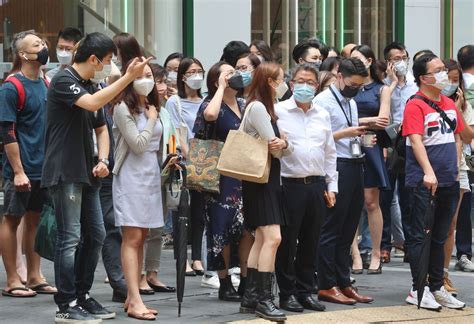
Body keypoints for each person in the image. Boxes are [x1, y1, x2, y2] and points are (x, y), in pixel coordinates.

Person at [42, 32, 151, 322]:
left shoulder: (90, 84)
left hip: (89, 170)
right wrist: (127, 77)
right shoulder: (64, 80)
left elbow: (101, 127)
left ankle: (82, 295)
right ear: (93, 59)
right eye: (105, 61)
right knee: (69, 238)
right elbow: (92, 104)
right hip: (65, 170)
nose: (107, 66)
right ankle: (65, 304)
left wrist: (103, 159)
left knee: (97, 235)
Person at [403, 53, 465, 310]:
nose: (444, 75)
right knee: (421, 237)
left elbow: (461, 136)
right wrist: (429, 172)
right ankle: (418, 289)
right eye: (438, 70)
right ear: (423, 78)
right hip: (424, 182)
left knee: (440, 236)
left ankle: (437, 286)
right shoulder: (415, 105)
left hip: (449, 179)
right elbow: (416, 140)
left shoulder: (449, 104)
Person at [112, 61, 172, 320]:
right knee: (132, 238)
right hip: (130, 177)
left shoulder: (152, 106)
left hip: (150, 177)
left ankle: (131, 297)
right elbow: (137, 144)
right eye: (141, 75)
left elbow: (159, 142)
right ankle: (134, 298)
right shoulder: (121, 107)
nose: (147, 80)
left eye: (150, 76)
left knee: (143, 237)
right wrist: (150, 122)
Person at [274, 63, 336, 313]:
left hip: (317, 184)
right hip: (289, 184)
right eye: (301, 81)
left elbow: (330, 152)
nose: (305, 86)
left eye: (311, 83)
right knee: (288, 242)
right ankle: (286, 293)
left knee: (312, 241)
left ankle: (306, 291)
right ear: (291, 84)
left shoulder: (322, 114)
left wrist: (332, 185)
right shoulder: (278, 111)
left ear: (317, 86)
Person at [0, 30, 56, 298]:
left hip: (43, 168)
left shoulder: (45, 84)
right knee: (12, 220)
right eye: (36, 45)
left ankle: (34, 276)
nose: (43, 47)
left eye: (43, 43)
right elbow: (7, 132)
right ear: (23, 54)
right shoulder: (12, 87)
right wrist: (19, 171)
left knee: (34, 220)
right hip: (21, 170)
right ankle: (13, 279)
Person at [315, 58, 374, 305]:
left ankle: (343, 281)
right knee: (331, 227)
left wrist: (359, 138)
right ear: (338, 75)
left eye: (360, 85)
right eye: (352, 84)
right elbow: (319, 138)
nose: (356, 88)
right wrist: (348, 133)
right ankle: (326, 284)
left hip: (354, 162)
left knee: (349, 227)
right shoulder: (322, 102)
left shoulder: (350, 101)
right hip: (335, 165)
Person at [239, 62, 292, 322]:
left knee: (262, 238)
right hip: (262, 179)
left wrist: (285, 143)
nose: (285, 83)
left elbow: (282, 145)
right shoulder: (259, 107)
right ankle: (264, 299)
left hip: (262, 179)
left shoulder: (260, 106)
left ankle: (251, 298)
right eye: (282, 79)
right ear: (271, 82)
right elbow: (276, 147)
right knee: (273, 238)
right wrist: (285, 143)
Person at [192, 61, 247, 301]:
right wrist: (221, 89)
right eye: (228, 74)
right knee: (221, 228)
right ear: (216, 80)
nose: (234, 76)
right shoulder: (210, 103)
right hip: (219, 175)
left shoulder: (244, 104)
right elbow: (211, 115)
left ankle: (246, 279)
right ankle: (224, 281)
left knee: (246, 228)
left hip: (244, 172)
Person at [350, 44, 396, 274]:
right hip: (347, 145)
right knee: (350, 203)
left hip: (371, 146)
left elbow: (384, 120)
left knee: (371, 202)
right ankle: (356, 255)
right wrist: (368, 121)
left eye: (359, 59)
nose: (355, 63)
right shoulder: (348, 87)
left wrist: (356, 122)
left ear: (369, 61)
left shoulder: (381, 89)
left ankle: (376, 252)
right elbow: (341, 120)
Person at [137, 64, 177, 296]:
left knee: (158, 227)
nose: (162, 87)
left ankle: (152, 272)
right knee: (141, 228)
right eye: (157, 81)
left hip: (164, 170)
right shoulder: (137, 109)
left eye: (162, 81)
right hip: (143, 173)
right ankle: (139, 274)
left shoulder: (163, 110)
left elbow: (172, 135)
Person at [379, 42, 419, 264]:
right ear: (388, 62)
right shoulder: (383, 86)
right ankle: (385, 245)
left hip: (410, 143)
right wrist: (393, 83)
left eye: (404, 57)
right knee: (385, 195)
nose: (400, 62)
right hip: (389, 144)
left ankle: (409, 245)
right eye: (395, 58)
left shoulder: (415, 84)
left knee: (409, 196)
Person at [165, 57, 205, 275]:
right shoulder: (174, 102)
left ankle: (197, 257)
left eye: (199, 71)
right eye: (191, 72)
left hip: (203, 163)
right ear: (182, 77)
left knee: (199, 212)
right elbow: (176, 131)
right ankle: (183, 257)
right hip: (182, 163)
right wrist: (189, 157)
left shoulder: (205, 101)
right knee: (182, 211)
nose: (196, 75)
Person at [441, 59, 474, 295]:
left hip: (459, 167)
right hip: (435, 168)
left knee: (451, 223)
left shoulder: (462, 106)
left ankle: (443, 274)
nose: (452, 84)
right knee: (433, 224)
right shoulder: (427, 102)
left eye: (456, 80)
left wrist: (458, 109)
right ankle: (427, 275)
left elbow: (468, 136)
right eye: (448, 79)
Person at [455, 44, 474, 272]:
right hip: (464, 149)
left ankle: (463, 252)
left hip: (462, 151)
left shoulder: (460, 87)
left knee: (464, 202)